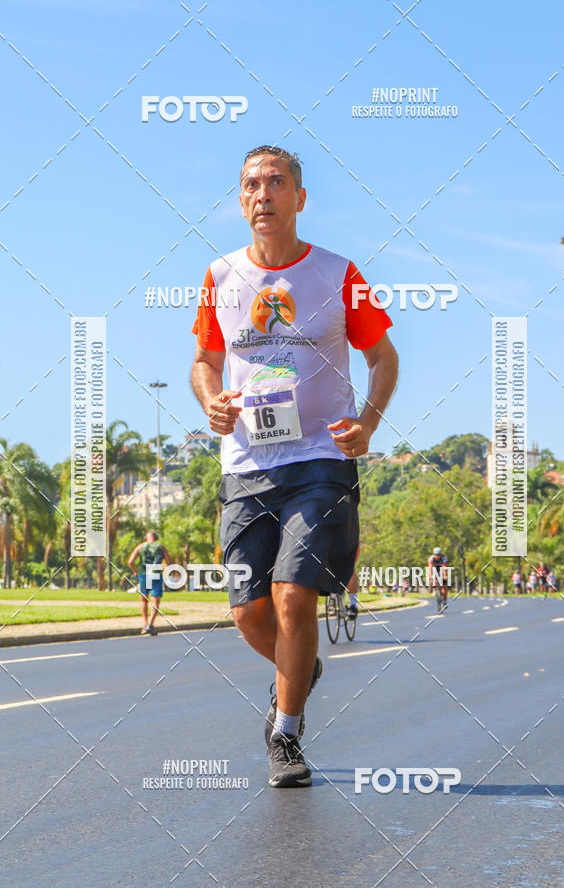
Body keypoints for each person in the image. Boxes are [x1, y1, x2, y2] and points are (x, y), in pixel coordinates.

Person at [190, 146, 397, 788]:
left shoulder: (339, 274)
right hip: (248, 464)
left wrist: (366, 424)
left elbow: (383, 358)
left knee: (292, 593)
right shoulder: (220, 276)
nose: (263, 194)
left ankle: (286, 732)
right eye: (251, 184)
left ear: (299, 199)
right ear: (240, 199)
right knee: (250, 611)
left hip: (320, 459)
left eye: (277, 183)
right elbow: (204, 362)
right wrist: (211, 403)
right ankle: (297, 671)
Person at [128, 531, 172, 635]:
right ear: (155, 538)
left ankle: (145, 624)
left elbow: (130, 562)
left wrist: (135, 572)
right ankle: (150, 624)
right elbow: (169, 563)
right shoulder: (160, 547)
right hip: (155, 574)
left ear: (146, 538)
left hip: (143, 575)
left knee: (144, 599)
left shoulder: (140, 547)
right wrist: (165, 567)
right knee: (155, 600)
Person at [427, 547, 449, 612]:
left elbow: (444, 568)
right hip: (434, 570)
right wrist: (430, 577)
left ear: (440, 554)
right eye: (436, 555)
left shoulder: (444, 558)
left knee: (444, 586)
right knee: (432, 580)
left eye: (438, 555)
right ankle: (434, 589)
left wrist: (444, 576)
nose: (437, 556)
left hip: (442, 571)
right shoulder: (431, 558)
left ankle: (444, 601)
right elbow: (430, 568)